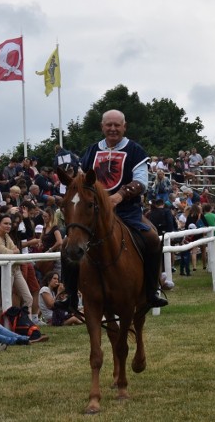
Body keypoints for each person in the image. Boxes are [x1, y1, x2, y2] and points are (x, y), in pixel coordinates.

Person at [61, 109, 167, 313]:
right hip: (94, 215)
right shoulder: (91, 151)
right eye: (108, 125)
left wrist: (120, 195)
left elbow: (141, 182)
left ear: (124, 127)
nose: (112, 129)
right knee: (67, 245)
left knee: (153, 239)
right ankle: (71, 295)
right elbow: (82, 181)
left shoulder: (135, 151)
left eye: (117, 125)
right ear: (102, 127)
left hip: (127, 212)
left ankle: (151, 291)